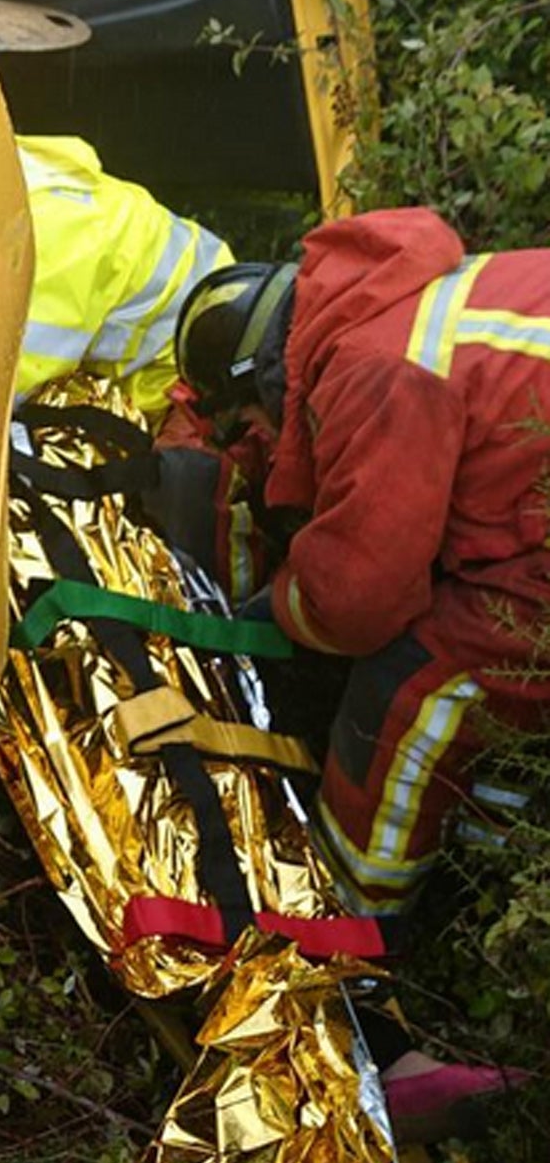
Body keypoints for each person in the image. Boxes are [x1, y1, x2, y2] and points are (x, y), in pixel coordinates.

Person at [172, 206, 550, 921]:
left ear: (260, 384)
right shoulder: (392, 306)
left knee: (415, 689)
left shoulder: (371, 367)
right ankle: (497, 838)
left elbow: (359, 600)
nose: (254, 444)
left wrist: (276, 610)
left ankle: (354, 928)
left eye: (245, 428)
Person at [16, 136, 233, 425]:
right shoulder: (16, 184)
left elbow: (1, 389)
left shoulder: (48, 238)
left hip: (202, 381)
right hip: (193, 351)